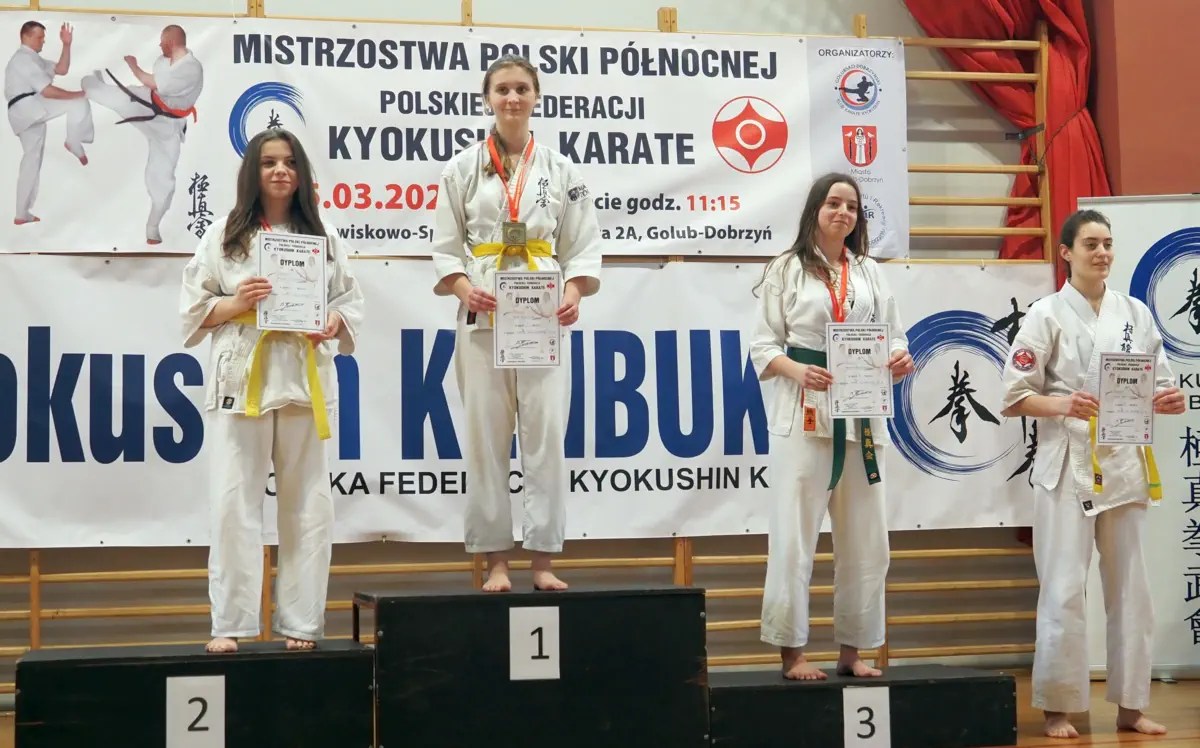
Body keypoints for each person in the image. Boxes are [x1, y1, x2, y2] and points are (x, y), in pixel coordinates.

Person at [1000, 209, 1184, 739]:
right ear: (1066, 252)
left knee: (1132, 591)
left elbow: (1160, 382)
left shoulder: (1135, 313)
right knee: (1063, 587)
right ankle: (1058, 707)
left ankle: (1131, 705)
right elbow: (1013, 397)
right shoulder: (1045, 314)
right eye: (1090, 244)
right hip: (1067, 467)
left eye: (1107, 243)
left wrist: (1169, 399)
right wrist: (1062, 404)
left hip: (1124, 462)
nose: (1102, 253)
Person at [179, 128, 364, 653]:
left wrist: (333, 322)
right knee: (233, 501)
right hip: (242, 377)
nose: (280, 171)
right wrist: (238, 303)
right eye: (268, 163)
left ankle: (301, 623)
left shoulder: (323, 234)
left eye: (289, 162)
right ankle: (231, 623)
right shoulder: (224, 234)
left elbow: (349, 302)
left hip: (304, 376)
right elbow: (193, 311)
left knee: (309, 504)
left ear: (301, 173)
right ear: (252, 173)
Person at [431, 54, 602, 593]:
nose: (512, 98)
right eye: (502, 89)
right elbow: (445, 248)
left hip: (540, 316)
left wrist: (573, 291)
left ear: (535, 97)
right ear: (487, 98)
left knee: (545, 436)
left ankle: (543, 559)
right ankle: (496, 561)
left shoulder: (562, 170)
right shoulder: (460, 168)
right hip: (483, 316)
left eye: (522, 89)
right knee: (485, 439)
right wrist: (465, 288)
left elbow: (582, 245)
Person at [748, 172, 913, 680]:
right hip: (805, 410)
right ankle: (792, 652)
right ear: (815, 210)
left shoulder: (869, 271)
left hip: (862, 411)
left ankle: (853, 650)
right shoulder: (786, 268)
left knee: (867, 540)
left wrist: (899, 357)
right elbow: (762, 345)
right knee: (794, 536)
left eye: (852, 206)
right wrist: (798, 371)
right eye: (834, 203)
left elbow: (895, 335)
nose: (843, 212)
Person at [81, 23, 202, 244]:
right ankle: (94, 83)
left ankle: (152, 227)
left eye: (162, 42)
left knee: (163, 180)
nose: (159, 46)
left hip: (168, 127)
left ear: (171, 42)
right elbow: (153, 85)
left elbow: (153, 81)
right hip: (146, 102)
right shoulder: (163, 61)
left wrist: (133, 66)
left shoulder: (191, 69)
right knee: (97, 91)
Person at [4, 20, 92, 225]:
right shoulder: (23, 60)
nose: (43, 41)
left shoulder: (33, 59)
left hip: (24, 111)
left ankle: (21, 213)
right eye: (39, 37)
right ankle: (74, 142)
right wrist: (78, 93)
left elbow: (61, 69)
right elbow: (48, 91)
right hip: (29, 106)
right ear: (26, 36)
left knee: (31, 161)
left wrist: (67, 44)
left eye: (43, 37)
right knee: (79, 102)